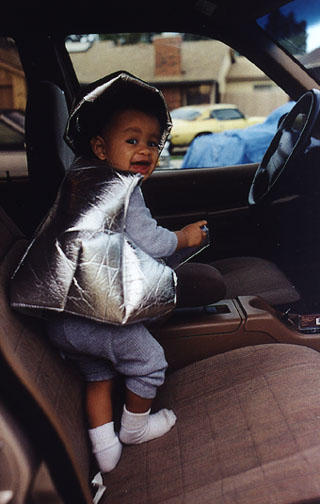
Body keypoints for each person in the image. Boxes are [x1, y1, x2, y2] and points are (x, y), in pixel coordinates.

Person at [10, 71, 225, 473]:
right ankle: (135, 430)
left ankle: (105, 450)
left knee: (99, 375)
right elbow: (152, 243)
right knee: (150, 362)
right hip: (99, 317)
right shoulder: (125, 189)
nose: (145, 150)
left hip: (64, 318)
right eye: (132, 140)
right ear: (100, 147)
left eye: (153, 143)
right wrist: (185, 236)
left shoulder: (80, 178)